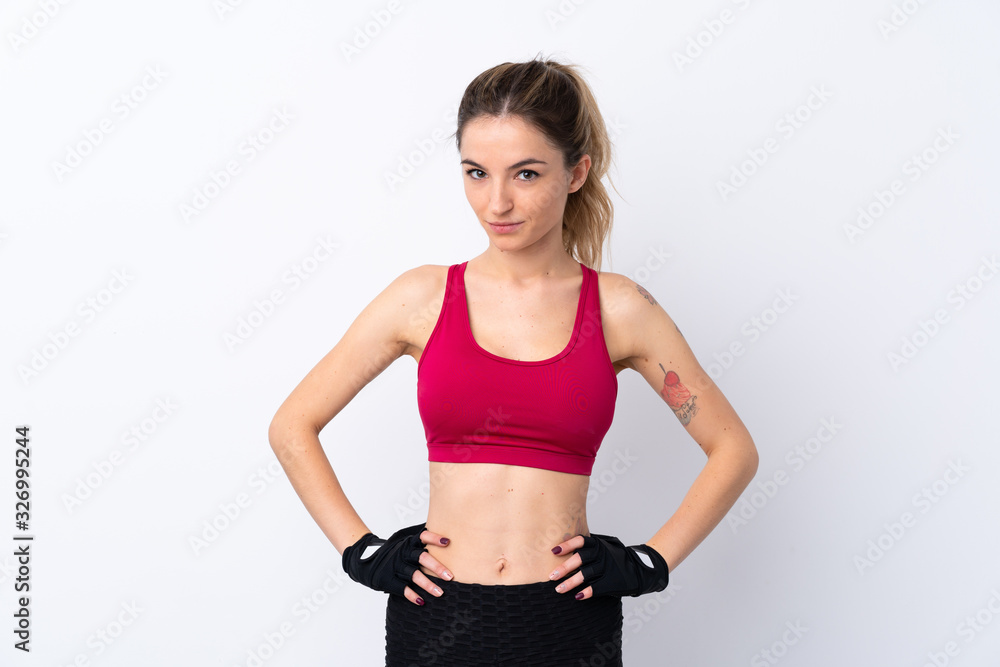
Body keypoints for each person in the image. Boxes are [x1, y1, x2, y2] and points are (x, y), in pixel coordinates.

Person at [268, 56, 759, 666]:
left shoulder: (621, 309)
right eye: (477, 173)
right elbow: (292, 426)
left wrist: (647, 563)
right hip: (435, 617)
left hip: (568, 623)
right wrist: (361, 551)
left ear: (577, 171)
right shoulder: (421, 297)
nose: (496, 202)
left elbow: (733, 448)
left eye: (525, 174)